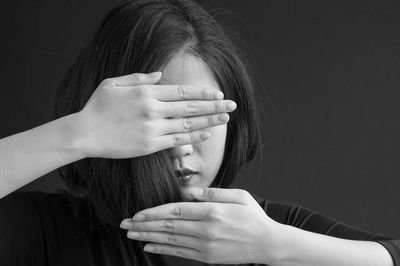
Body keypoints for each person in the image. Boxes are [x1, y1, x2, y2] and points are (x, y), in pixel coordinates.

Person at [0, 0, 399, 265]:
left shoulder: (261, 226)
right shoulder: (47, 231)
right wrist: (78, 133)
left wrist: (276, 245)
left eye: (201, 121)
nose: (183, 150)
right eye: (162, 121)